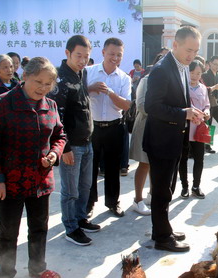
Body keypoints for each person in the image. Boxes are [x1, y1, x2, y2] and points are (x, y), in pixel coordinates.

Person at [0, 56, 66, 278]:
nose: (42, 88)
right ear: (25, 76)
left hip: (41, 179)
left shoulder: (49, 105)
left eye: (48, 84)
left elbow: (60, 135)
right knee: (8, 229)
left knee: (39, 226)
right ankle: (5, 273)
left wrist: (53, 154)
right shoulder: (3, 103)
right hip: (10, 180)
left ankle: (37, 268)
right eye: (38, 81)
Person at [143, 26, 204, 252]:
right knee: (161, 190)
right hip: (161, 140)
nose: (191, 56)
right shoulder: (161, 69)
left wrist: (192, 112)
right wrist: (183, 114)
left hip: (174, 138)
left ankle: (163, 227)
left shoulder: (183, 67)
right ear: (175, 45)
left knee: (168, 187)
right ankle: (162, 238)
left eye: (195, 51)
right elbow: (152, 106)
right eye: (188, 50)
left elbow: (179, 101)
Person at [48, 35, 99, 246]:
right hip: (72, 146)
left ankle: (80, 218)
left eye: (86, 56)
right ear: (67, 53)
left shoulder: (82, 73)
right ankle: (71, 228)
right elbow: (56, 117)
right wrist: (65, 147)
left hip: (87, 141)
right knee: (70, 191)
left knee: (85, 186)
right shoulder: (59, 79)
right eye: (79, 55)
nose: (83, 60)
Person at [86, 38, 132, 218]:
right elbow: (79, 95)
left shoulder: (124, 78)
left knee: (113, 168)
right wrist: (91, 88)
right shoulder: (88, 72)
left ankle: (113, 202)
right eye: (111, 53)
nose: (115, 58)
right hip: (92, 127)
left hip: (114, 127)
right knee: (90, 167)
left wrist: (109, 93)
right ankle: (89, 203)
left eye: (119, 55)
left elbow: (127, 105)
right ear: (103, 52)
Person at [128, 54, 164, 216]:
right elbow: (142, 106)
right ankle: (138, 200)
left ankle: (151, 195)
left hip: (160, 127)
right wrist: (166, 112)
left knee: (156, 164)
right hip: (146, 126)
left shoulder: (168, 81)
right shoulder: (146, 80)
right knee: (144, 163)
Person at [179, 60, 210, 199]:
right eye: (192, 72)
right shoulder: (183, 87)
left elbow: (207, 104)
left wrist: (207, 111)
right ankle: (184, 186)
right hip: (185, 127)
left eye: (198, 73)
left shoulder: (203, 88)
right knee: (183, 158)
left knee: (199, 158)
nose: (195, 76)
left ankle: (196, 186)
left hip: (198, 128)